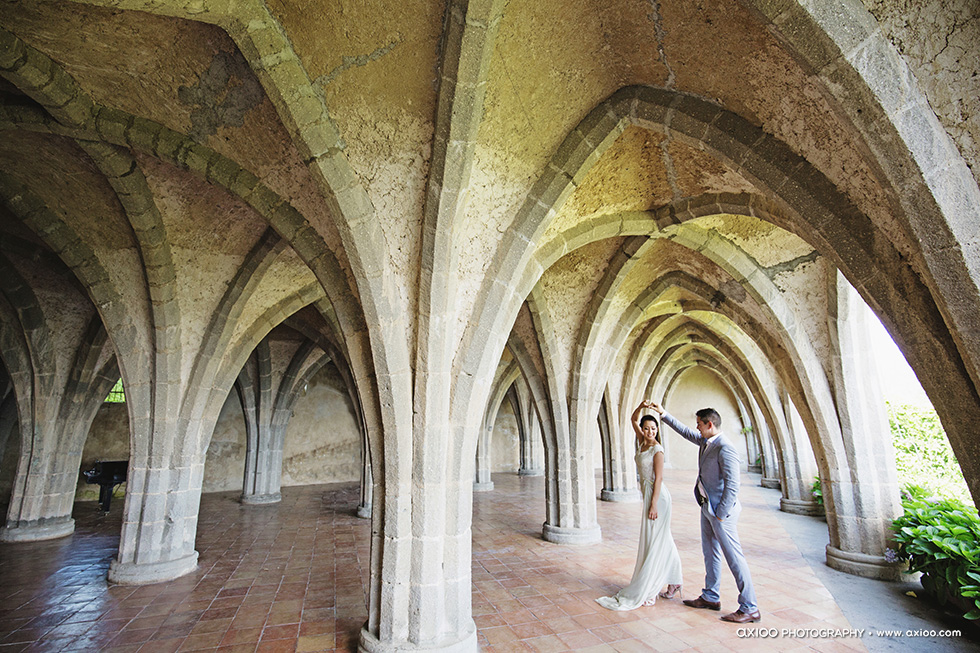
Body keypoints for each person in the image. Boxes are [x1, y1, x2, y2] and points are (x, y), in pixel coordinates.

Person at [650, 402, 761, 623]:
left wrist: (720, 514)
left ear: (710, 424)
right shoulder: (706, 441)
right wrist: (663, 414)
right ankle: (711, 596)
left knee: (734, 558)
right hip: (707, 506)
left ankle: (749, 607)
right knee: (710, 553)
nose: (697, 428)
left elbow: (732, 485)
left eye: (700, 424)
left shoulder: (725, 447)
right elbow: (685, 432)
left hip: (721, 513)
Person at [596, 401, 682, 610]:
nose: (650, 431)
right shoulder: (642, 442)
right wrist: (642, 406)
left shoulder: (657, 450)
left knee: (656, 540)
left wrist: (653, 505)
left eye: (653, 428)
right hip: (649, 496)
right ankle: (675, 579)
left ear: (657, 430)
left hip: (658, 499)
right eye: (647, 428)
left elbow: (659, 479)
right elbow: (633, 419)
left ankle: (655, 584)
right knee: (662, 539)